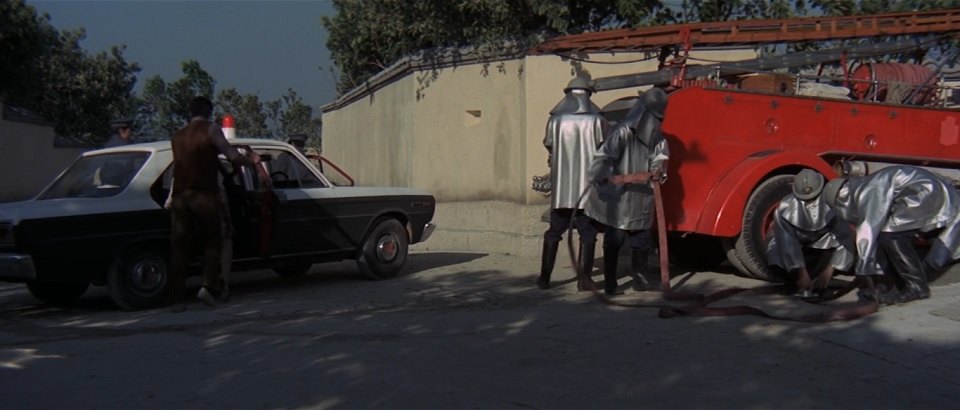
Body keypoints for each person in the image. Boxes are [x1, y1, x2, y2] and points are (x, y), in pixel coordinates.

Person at [822, 165, 960, 304]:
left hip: (925, 193)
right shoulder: (862, 187)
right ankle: (899, 284)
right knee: (888, 234)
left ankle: (916, 287)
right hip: (928, 193)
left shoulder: (868, 190)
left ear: (841, 200)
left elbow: (869, 226)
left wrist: (864, 267)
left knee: (890, 235)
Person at [169, 96, 256, 310]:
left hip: (180, 196)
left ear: (190, 112)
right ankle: (207, 286)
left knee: (180, 246)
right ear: (208, 111)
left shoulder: (177, 136)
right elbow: (232, 156)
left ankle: (176, 297)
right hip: (204, 193)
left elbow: (177, 168)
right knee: (213, 241)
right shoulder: (211, 130)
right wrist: (251, 161)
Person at [585, 88, 669, 296]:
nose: (656, 122)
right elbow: (604, 156)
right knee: (615, 239)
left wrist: (658, 170)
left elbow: (661, 156)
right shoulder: (621, 132)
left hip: (643, 196)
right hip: (620, 197)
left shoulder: (657, 137)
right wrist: (602, 175)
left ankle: (640, 279)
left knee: (641, 240)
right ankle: (610, 282)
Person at [538, 76, 608, 291]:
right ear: (588, 94)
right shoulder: (597, 119)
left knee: (554, 231)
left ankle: (544, 278)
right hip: (588, 189)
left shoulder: (556, 119)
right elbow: (605, 148)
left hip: (562, 189)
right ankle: (584, 280)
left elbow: (549, 144)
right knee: (588, 233)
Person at [765, 169, 856, 296]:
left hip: (820, 247)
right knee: (777, 254)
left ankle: (818, 278)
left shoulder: (834, 204)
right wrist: (801, 273)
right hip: (794, 249)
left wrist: (830, 270)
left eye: (813, 198)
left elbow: (844, 238)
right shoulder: (784, 209)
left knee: (833, 257)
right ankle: (796, 280)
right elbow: (787, 244)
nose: (810, 204)